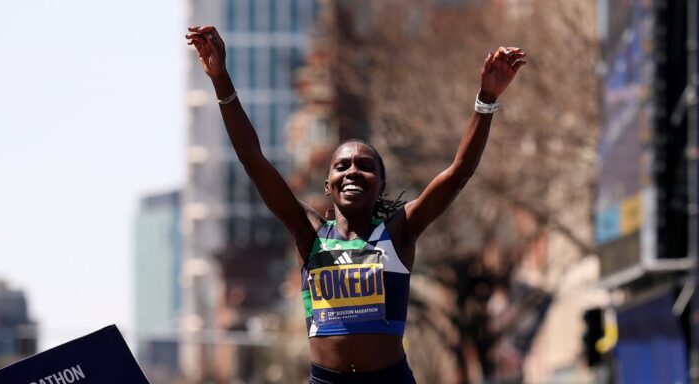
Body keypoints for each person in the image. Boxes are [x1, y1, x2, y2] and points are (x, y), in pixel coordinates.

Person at [186, 25, 526, 384]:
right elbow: (253, 160)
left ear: (381, 184)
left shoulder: (399, 232)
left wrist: (486, 99)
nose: (352, 171)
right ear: (327, 184)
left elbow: (459, 172)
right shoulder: (309, 234)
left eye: (365, 166)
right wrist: (220, 79)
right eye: (342, 165)